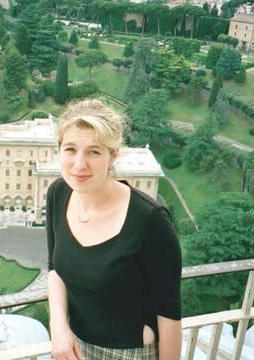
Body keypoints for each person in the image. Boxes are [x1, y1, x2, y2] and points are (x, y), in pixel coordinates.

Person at [46, 99, 182, 360]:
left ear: (113, 155)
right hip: (72, 347)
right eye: (70, 149)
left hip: (128, 353)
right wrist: (58, 326)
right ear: (59, 150)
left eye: (94, 152)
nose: (79, 164)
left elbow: (169, 315)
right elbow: (53, 267)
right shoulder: (58, 193)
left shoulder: (150, 221)